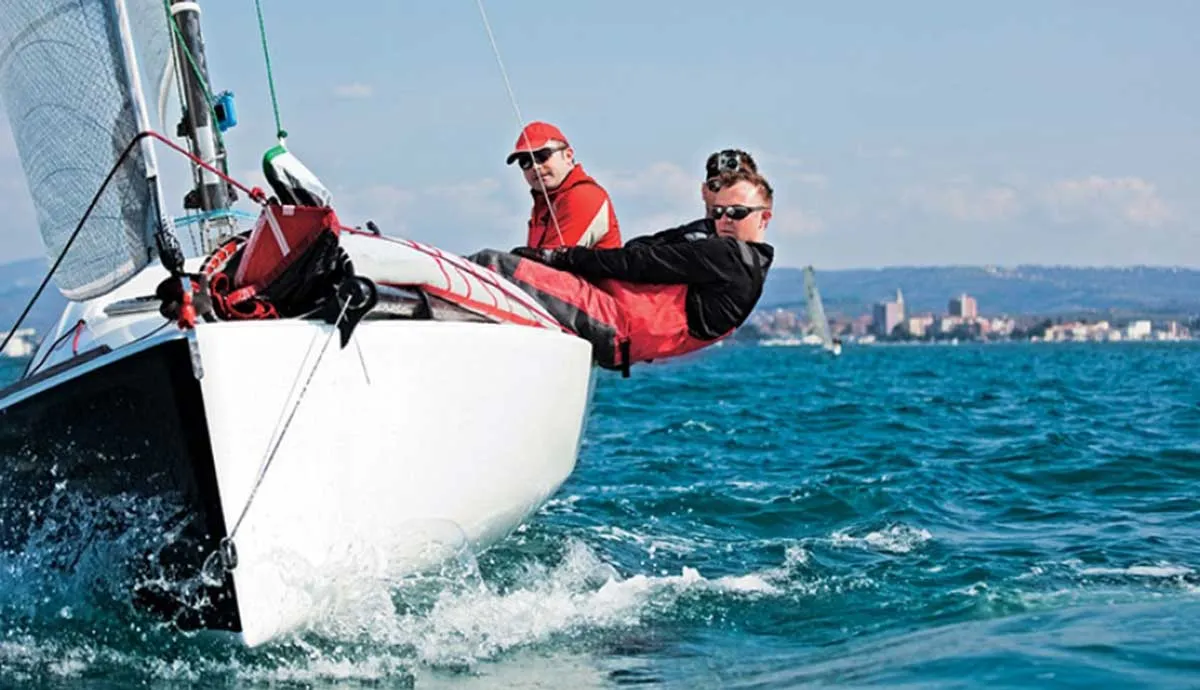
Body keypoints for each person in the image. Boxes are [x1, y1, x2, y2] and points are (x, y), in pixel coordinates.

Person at [470, 168, 774, 375]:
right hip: (614, 327)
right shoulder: (750, 268)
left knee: (493, 265)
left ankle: (422, 301)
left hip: (612, 321)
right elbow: (642, 248)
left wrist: (562, 257)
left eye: (737, 212)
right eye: (718, 213)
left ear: (765, 218)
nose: (724, 220)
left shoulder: (727, 255)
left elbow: (639, 262)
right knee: (506, 272)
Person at [506, 121, 621, 250]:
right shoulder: (543, 203)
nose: (535, 167)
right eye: (525, 162)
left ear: (568, 155)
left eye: (542, 156)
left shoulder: (584, 195)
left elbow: (551, 261)